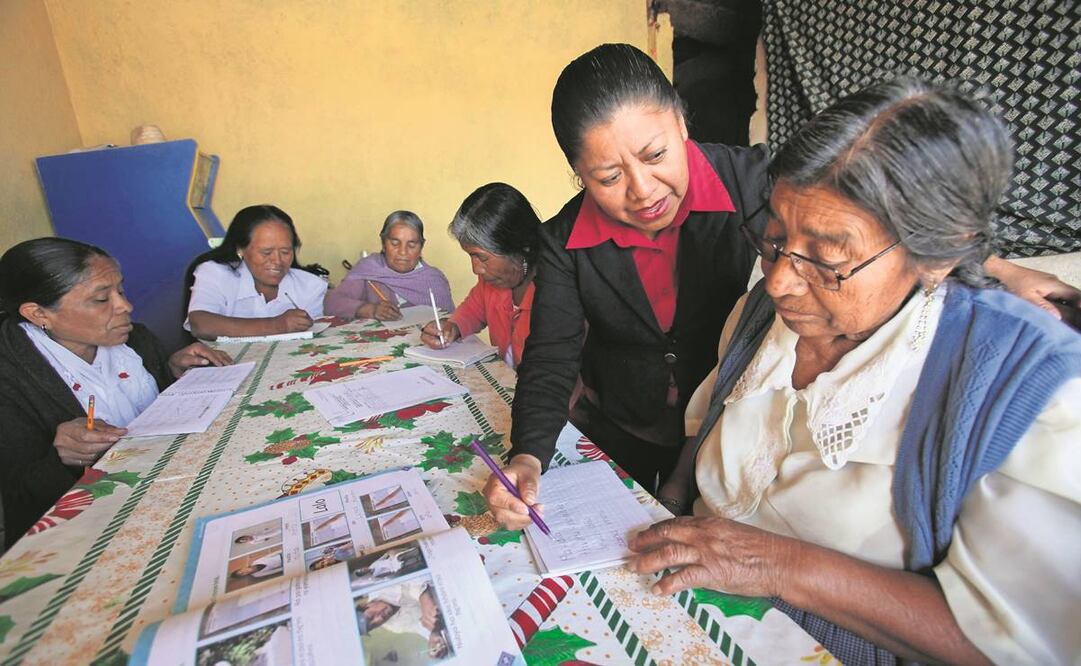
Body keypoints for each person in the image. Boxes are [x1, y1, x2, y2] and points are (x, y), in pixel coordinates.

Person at [484, 43, 1080, 517]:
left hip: (717, 409)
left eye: (656, 154)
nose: (642, 191)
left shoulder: (754, 181)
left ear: (681, 121)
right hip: (631, 420)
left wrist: (994, 267)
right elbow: (552, 351)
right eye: (608, 175)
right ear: (577, 173)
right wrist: (529, 454)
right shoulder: (563, 241)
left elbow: (872, 218)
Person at [622, 79, 1081, 664]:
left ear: (939, 254)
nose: (781, 281)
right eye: (775, 240)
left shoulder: (1030, 390)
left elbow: (1014, 645)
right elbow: (708, 424)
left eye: (827, 259)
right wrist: (672, 502)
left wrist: (778, 565)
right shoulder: (764, 311)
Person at [0, 238, 232, 549]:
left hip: (168, 489)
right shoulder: (9, 378)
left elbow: (148, 416)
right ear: (38, 314)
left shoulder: (134, 341)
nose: (126, 306)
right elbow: (18, 499)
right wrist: (62, 458)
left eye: (120, 291)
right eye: (100, 299)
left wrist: (170, 371)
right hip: (85, 536)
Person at [420, 183, 541, 368]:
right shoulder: (494, 281)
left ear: (520, 247)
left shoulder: (555, 287)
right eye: (471, 256)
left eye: (482, 257)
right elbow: (474, 309)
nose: (476, 269)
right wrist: (452, 327)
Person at [185, 204, 327, 340]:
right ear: (240, 249)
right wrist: (278, 325)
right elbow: (201, 324)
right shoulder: (215, 273)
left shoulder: (310, 285)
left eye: (285, 252)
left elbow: (313, 341)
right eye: (266, 252)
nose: (277, 261)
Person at [324, 211, 454, 321]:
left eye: (412, 244)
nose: (403, 252)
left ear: (421, 247)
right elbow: (331, 303)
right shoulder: (369, 269)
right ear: (384, 244)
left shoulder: (434, 279)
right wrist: (369, 309)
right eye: (395, 243)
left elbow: (450, 321)